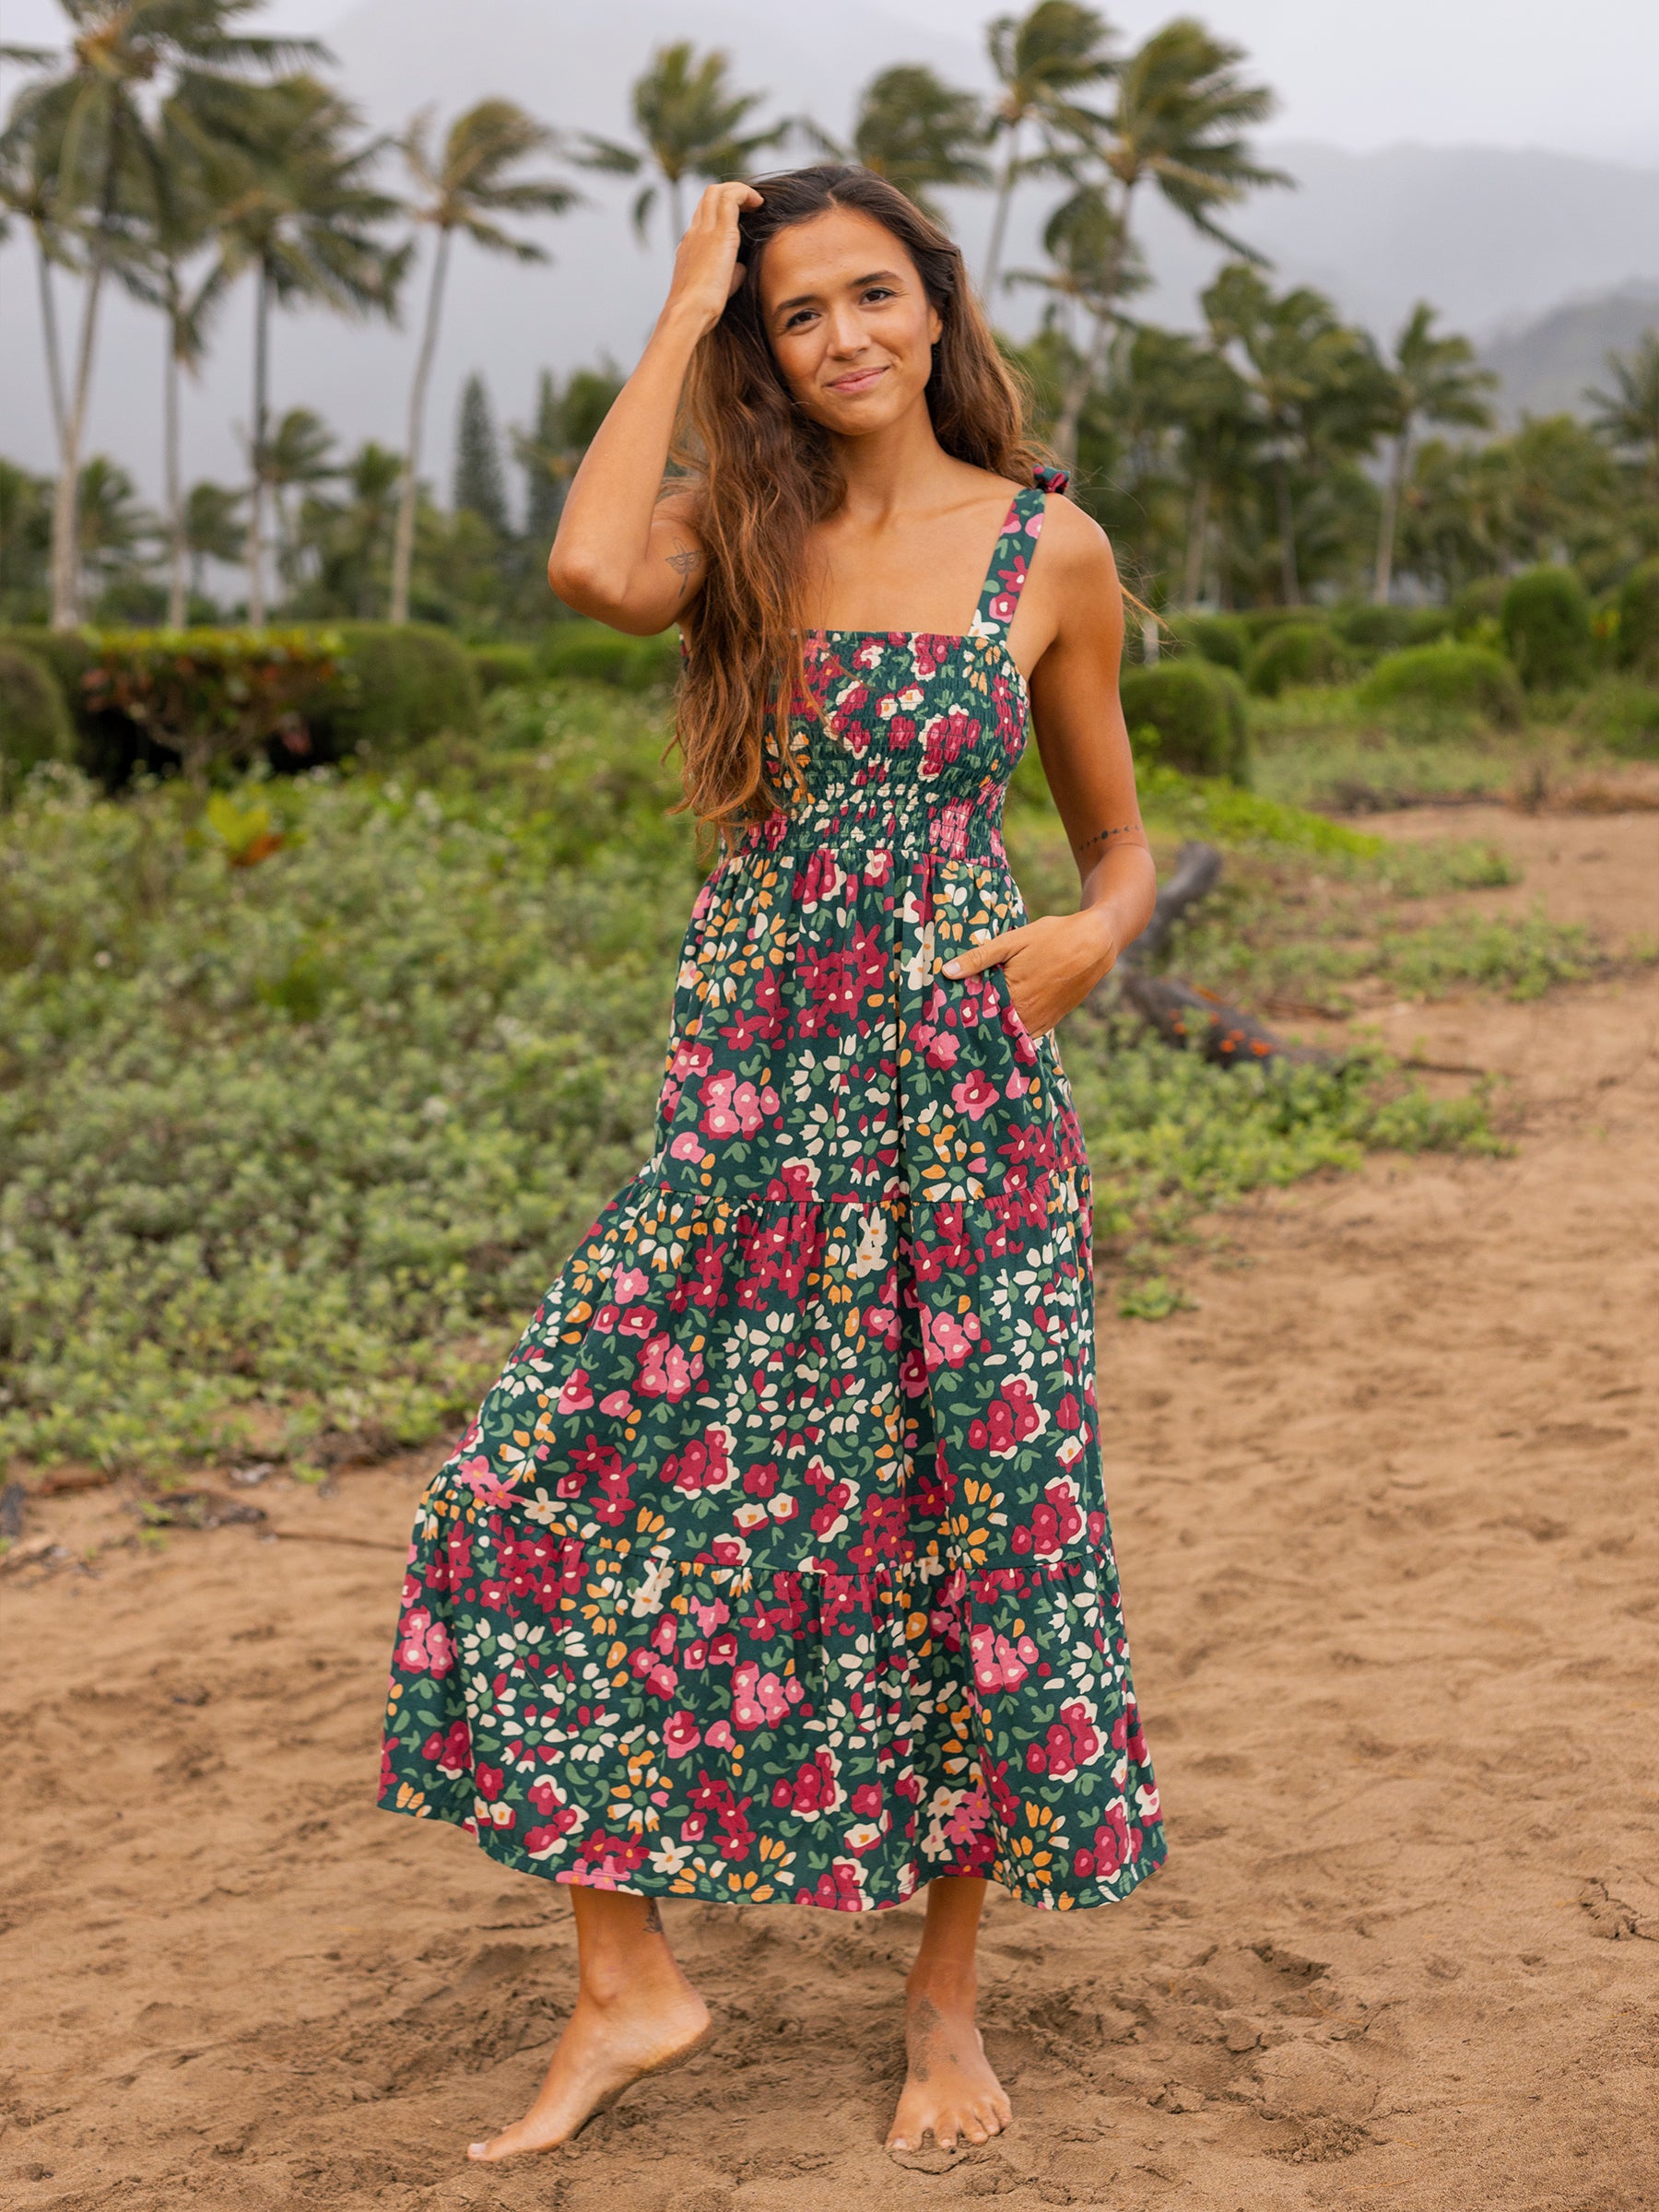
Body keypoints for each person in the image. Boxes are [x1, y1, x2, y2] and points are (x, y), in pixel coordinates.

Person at [377, 163, 1165, 2165]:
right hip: (749, 1115)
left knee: (973, 1537)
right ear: (764, 341)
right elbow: (581, 573)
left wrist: (1093, 934)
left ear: (935, 303)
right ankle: (630, 1983)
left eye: (872, 294)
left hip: (963, 1122)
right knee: (522, 1487)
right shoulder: (745, 523)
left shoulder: (1046, 551)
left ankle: (944, 1998)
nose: (844, 338)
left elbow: (1115, 840)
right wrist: (679, 303)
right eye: (798, 311)